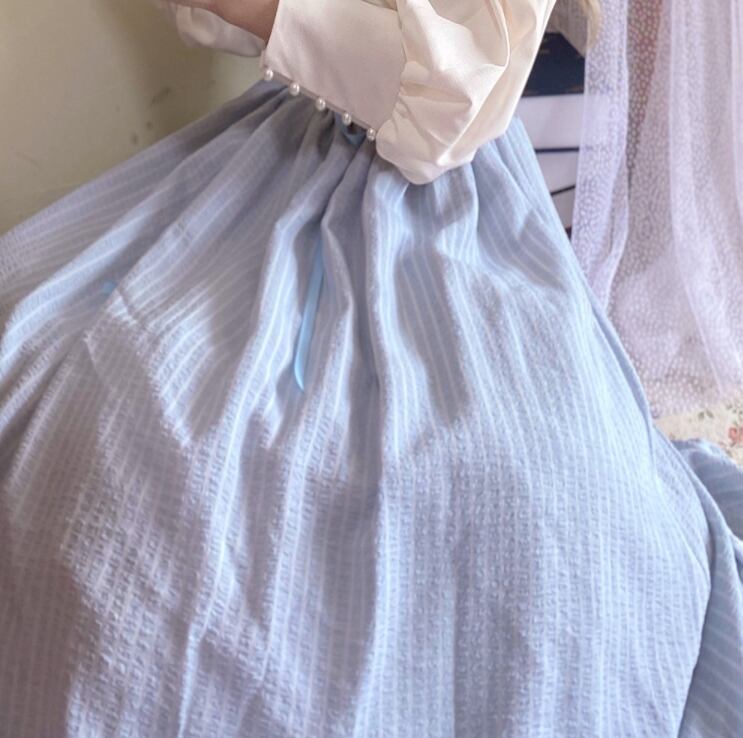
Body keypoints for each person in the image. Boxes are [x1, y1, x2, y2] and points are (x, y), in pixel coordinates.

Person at [0, 0, 741, 735]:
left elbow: (454, 102)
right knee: (75, 362)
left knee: (503, 481)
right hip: (293, 150)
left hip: (443, 205)